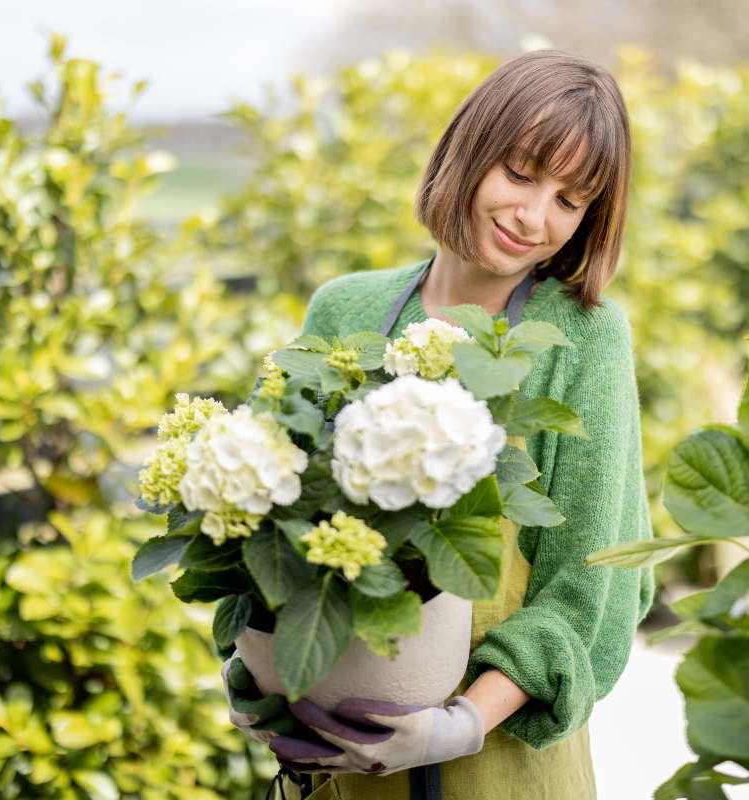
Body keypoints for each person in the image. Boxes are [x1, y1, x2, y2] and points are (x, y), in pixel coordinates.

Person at [223, 48, 655, 800]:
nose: (534, 217)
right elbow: (253, 528)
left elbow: (596, 583)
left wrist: (459, 724)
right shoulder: (345, 310)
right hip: (334, 753)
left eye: (570, 199)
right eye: (521, 173)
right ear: (469, 150)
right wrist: (250, 671)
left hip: (500, 764)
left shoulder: (582, 338)